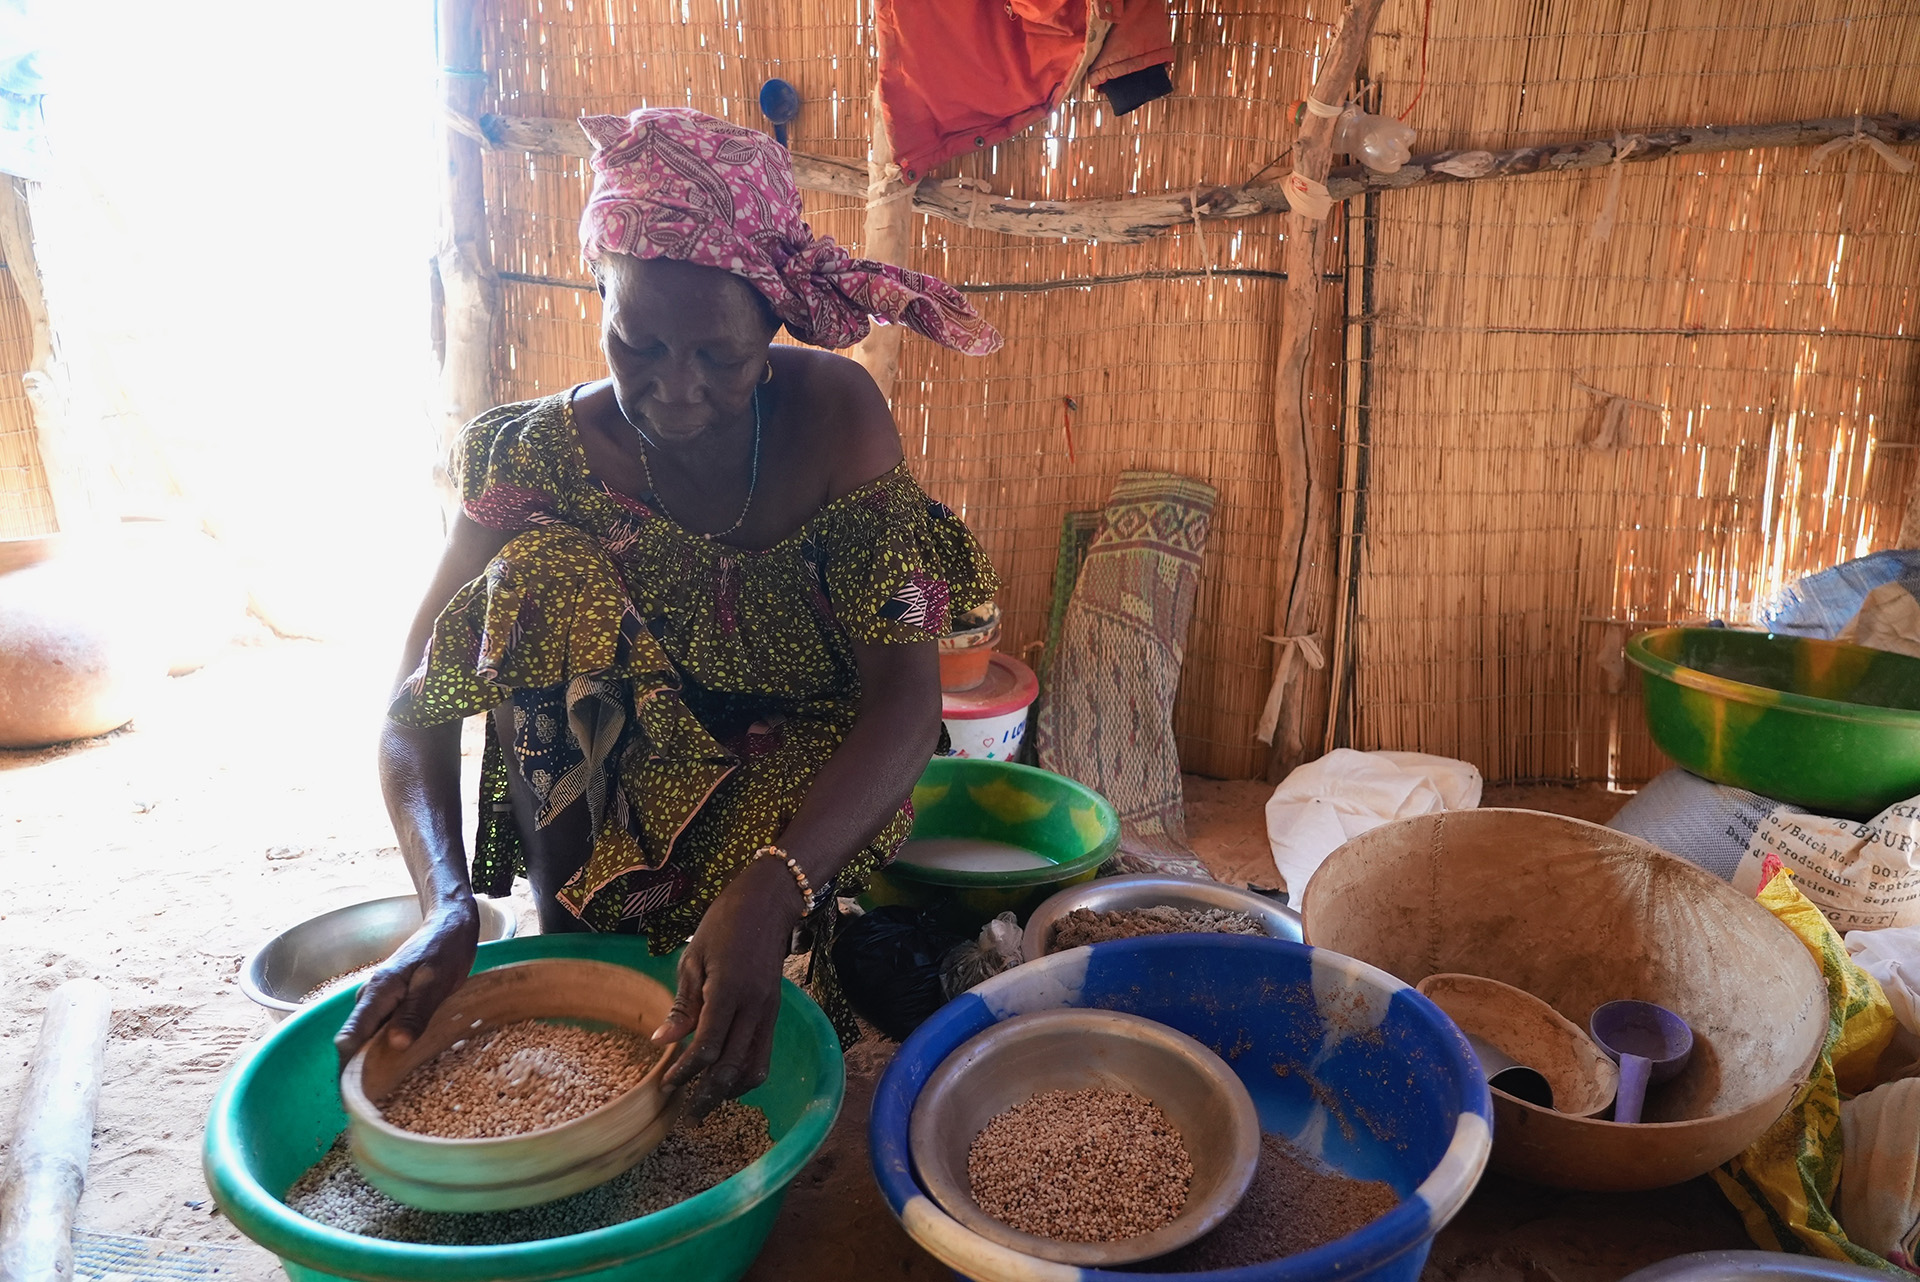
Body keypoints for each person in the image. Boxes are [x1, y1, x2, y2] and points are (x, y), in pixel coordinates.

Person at [335, 107, 1002, 1119]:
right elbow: (411, 698)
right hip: (628, 764)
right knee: (531, 575)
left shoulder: (837, 420)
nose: (674, 389)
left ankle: (780, 931)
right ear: (595, 289)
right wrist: (444, 900)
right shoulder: (531, 455)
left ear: (772, 332)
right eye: (636, 342)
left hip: (803, 763)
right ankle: (573, 943)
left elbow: (906, 704)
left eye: (719, 357)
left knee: (753, 995)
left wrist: (779, 878)